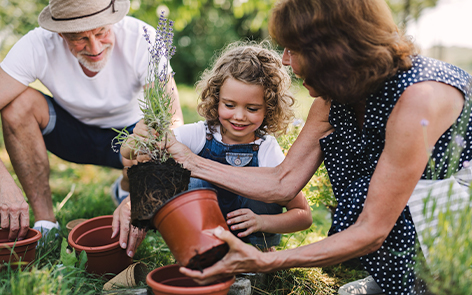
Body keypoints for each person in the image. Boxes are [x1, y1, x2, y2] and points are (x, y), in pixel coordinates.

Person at [136, 0, 471, 294]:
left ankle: (429, 280)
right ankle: (398, 280)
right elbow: (283, 181)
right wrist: (185, 160)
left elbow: (372, 230)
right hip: (413, 200)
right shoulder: (334, 97)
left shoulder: (419, 101)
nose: (284, 60)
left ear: (334, 51)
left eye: (293, 49)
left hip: (456, 213)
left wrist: (267, 261)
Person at [0, 0, 183, 257]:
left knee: (157, 132)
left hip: (129, 139)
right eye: (79, 38)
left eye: (101, 32)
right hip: (71, 135)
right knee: (16, 106)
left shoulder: (143, 39)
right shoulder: (37, 44)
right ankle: (46, 223)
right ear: (60, 33)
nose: (95, 48)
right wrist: (3, 182)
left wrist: (141, 195)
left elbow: (173, 123)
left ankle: (127, 185)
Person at [124, 42, 313, 251]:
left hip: (251, 241)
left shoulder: (266, 148)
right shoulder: (200, 134)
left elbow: (303, 216)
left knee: (267, 187)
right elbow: (132, 151)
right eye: (229, 105)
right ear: (216, 100)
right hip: (204, 239)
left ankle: (260, 251)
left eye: (252, 108)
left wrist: (262, 222)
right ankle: (199, 249)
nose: (239, 116)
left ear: (269, 108)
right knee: (190, 180)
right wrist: (138, 138)